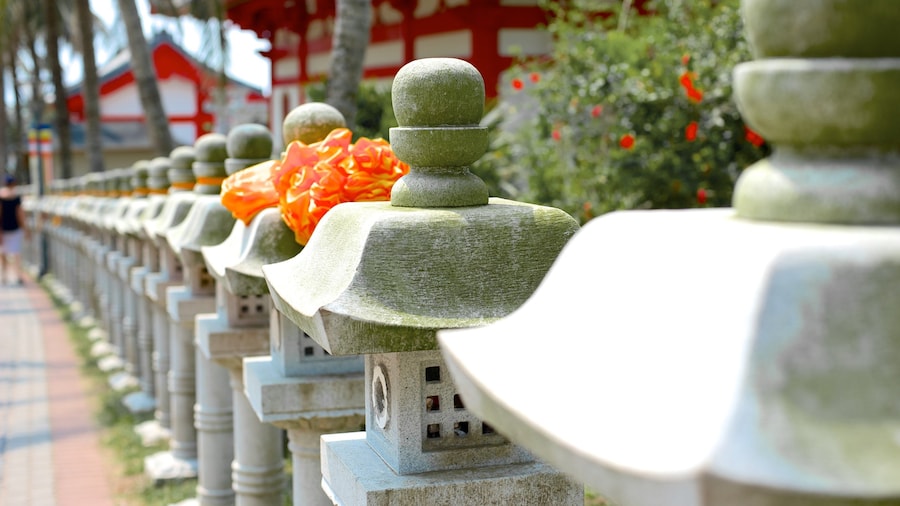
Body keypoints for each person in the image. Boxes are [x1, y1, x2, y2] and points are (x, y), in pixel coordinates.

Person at [0, 174, 29, 285]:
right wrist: (25, 229)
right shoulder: (16, 198)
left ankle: (4, 276)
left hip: (3, 229)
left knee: (3, 253)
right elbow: (20, 214)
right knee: (16, 253)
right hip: (15, 228)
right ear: (14, 184)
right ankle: (18, 276)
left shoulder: (1, 197)